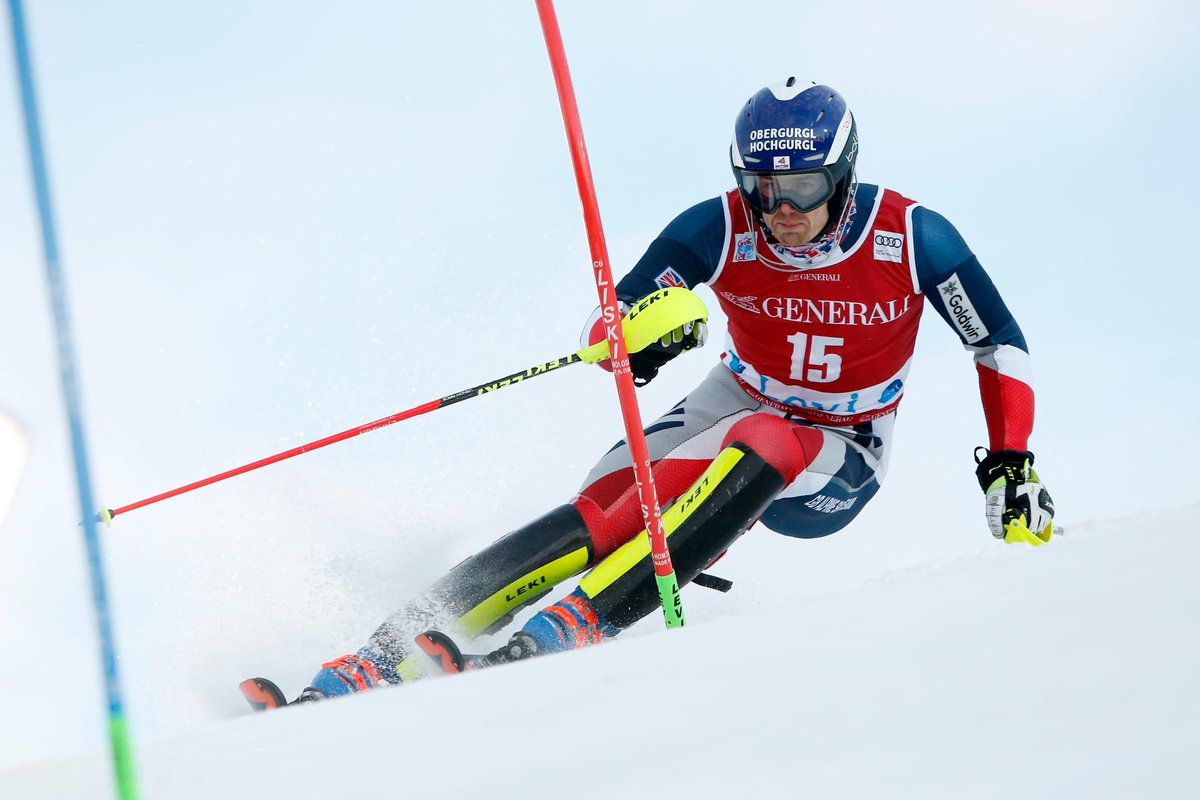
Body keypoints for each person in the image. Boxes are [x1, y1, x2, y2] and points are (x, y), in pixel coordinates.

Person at [295, 78, 1055, 700]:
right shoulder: (722, 227)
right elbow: (612, 320)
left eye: (801, 184)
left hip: (843, 443)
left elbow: (997, 341)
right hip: (735, 396)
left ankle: (578, 624)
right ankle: (390, 648)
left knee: (761, 441)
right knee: (606, 503)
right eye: (761, 186)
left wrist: (1012, 462)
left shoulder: (912, 236)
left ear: (844, 173)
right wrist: (641, 333)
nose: (781, 208)